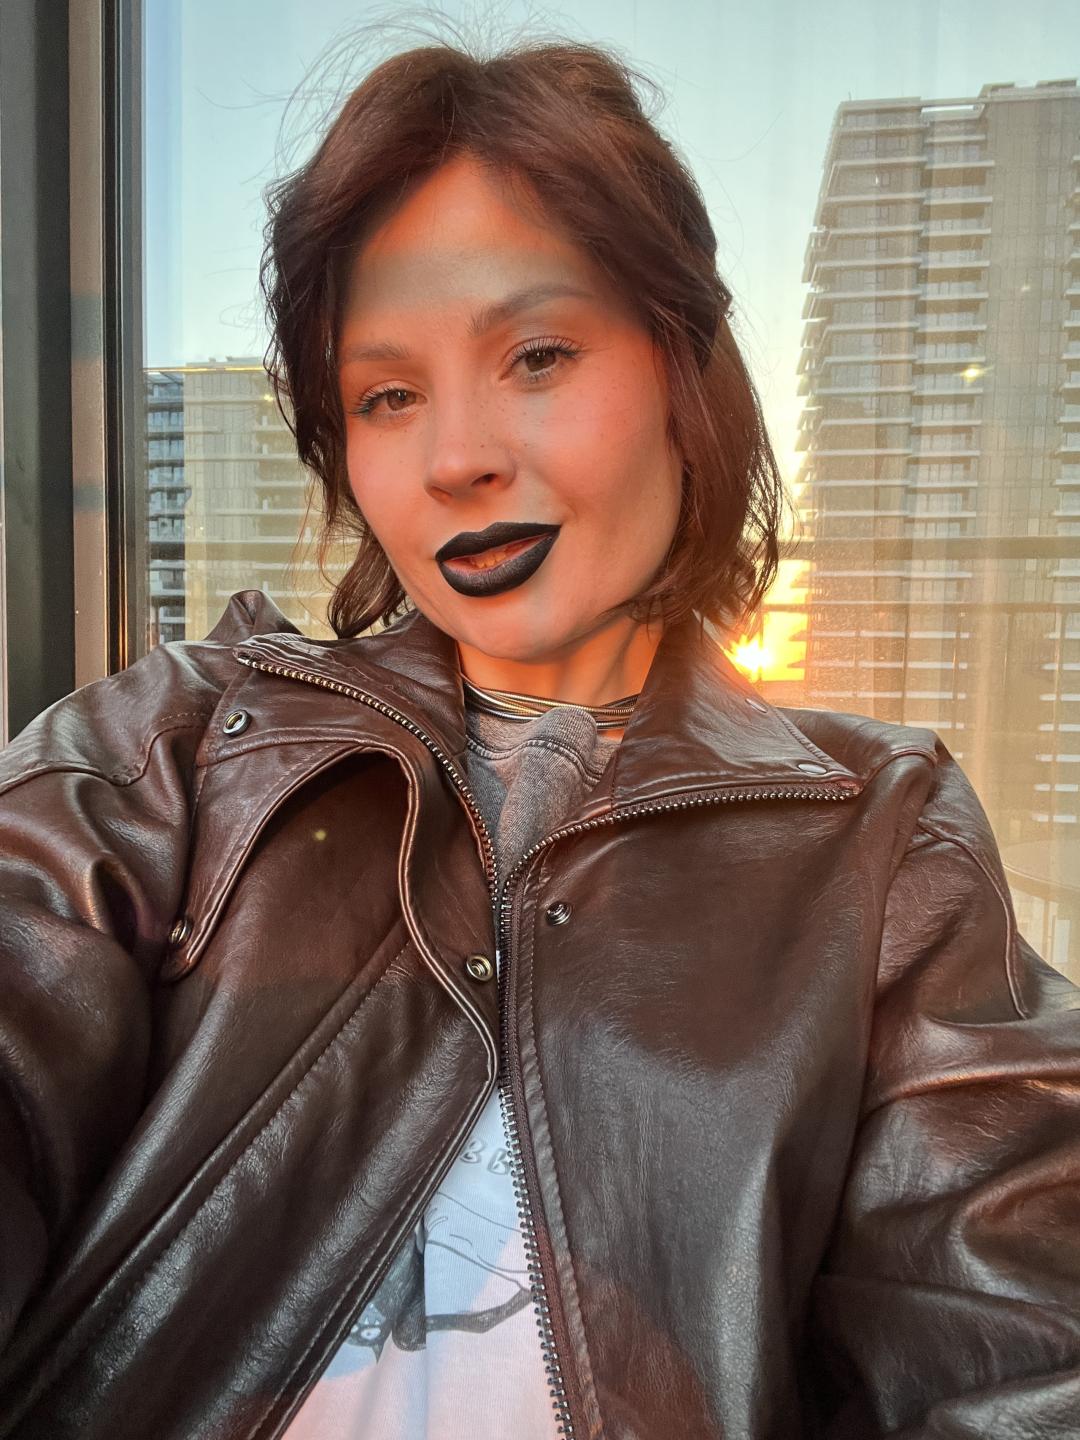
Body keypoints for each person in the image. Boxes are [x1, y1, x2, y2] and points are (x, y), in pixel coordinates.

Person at [0, 32, 1078, 1440]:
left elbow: (1009, 1326)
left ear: (683, 370)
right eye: (388, 395)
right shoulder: (185, 744)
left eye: (538, 354)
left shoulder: (876, 832)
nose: (456, 457)